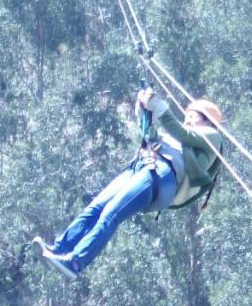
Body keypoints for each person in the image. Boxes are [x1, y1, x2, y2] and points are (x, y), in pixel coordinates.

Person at [34, 88, 225, 279]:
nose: (188, 119)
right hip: (143, 166)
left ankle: (76, 262)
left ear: (208, 121)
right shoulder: (182, 135)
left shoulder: (212, 137)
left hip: (161, 175)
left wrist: (159, 106)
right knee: (95, 208)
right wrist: (143, 111)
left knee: (111, 214)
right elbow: (151, 136)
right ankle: (59, 249)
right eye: (187, 115)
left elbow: (181, 133)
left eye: (193, 116)